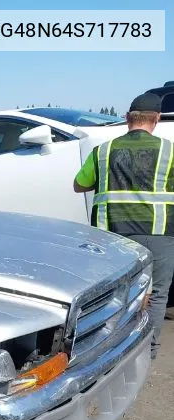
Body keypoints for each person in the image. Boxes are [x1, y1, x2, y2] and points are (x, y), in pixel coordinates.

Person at [74, 92, 174, 360]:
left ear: (127, 119)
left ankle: (111, 353)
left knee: (115, 295)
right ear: (156, 119)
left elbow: (79, 185)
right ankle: (147, 350)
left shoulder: (103, 151)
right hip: (159, 231)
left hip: (113, 234)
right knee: (157, 294)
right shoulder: (170, 150)